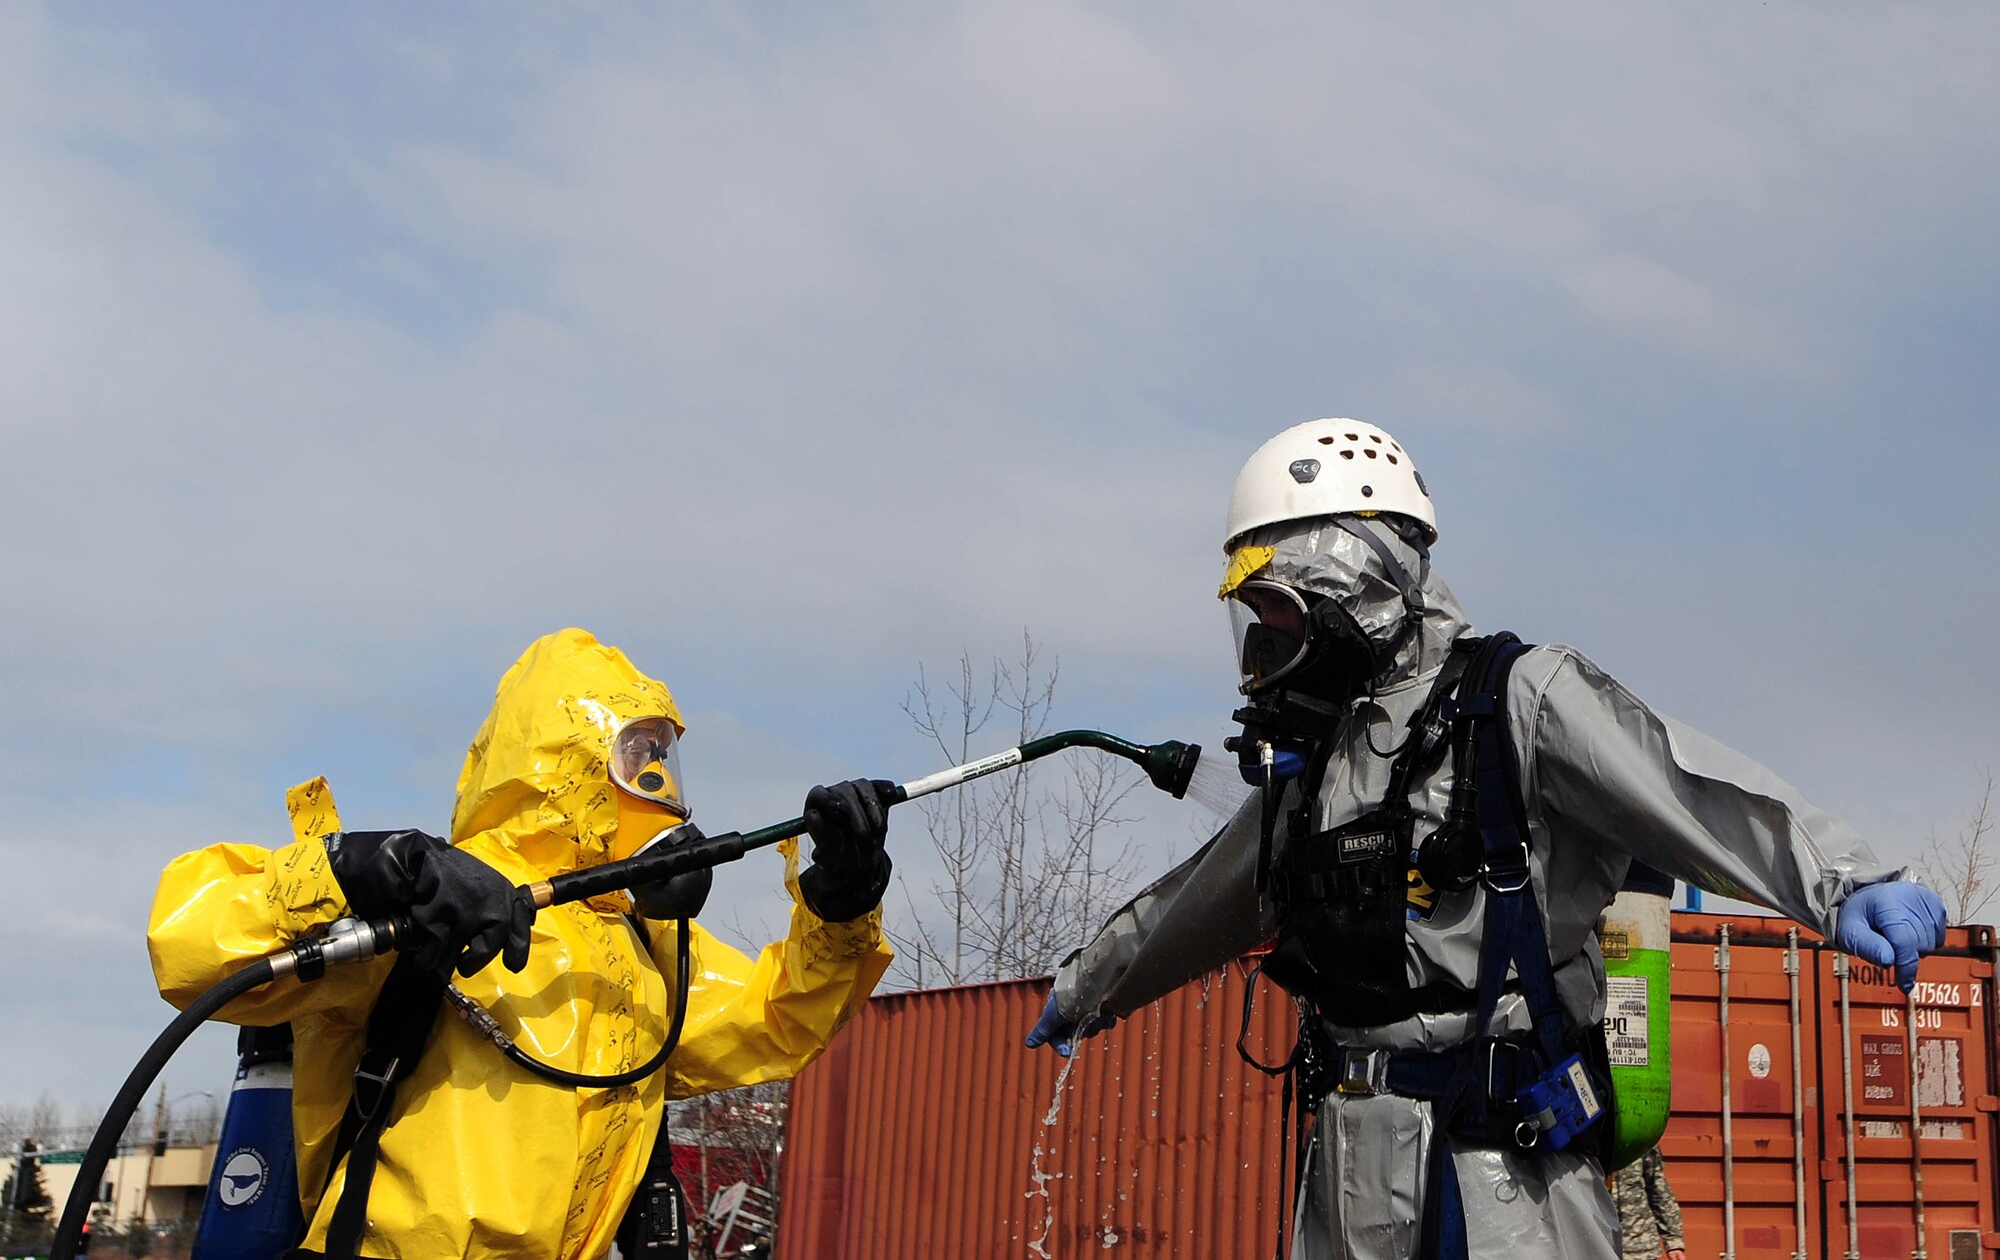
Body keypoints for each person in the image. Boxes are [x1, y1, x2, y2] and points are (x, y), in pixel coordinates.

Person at [1025, 419, 1947, 1260]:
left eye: (1275, 609)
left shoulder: (1519, 700)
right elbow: (1205, 900)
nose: (1262, 643)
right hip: (1350, 1181)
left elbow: (1687, 792)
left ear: (1351, 581)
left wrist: (1844, 881)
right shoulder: (1318, 766)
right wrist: (1086, 988)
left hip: (1506, 1182)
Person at [149, 628, 895, 1260]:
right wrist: (354, 870)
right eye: (636, 754)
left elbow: (771, 1020)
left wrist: (841, 906)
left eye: (663, 755)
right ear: (565, 764)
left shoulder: (644, 952)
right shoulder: (438, 904)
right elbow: (190, 940)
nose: (661, 782)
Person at [1614, 1146, 1685, 1260]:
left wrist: (1673, 1241)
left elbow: (1658, 1187)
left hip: (1640, 1245)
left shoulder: (1641, 1138)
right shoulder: (1584, 1138)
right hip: (1594, 1244)